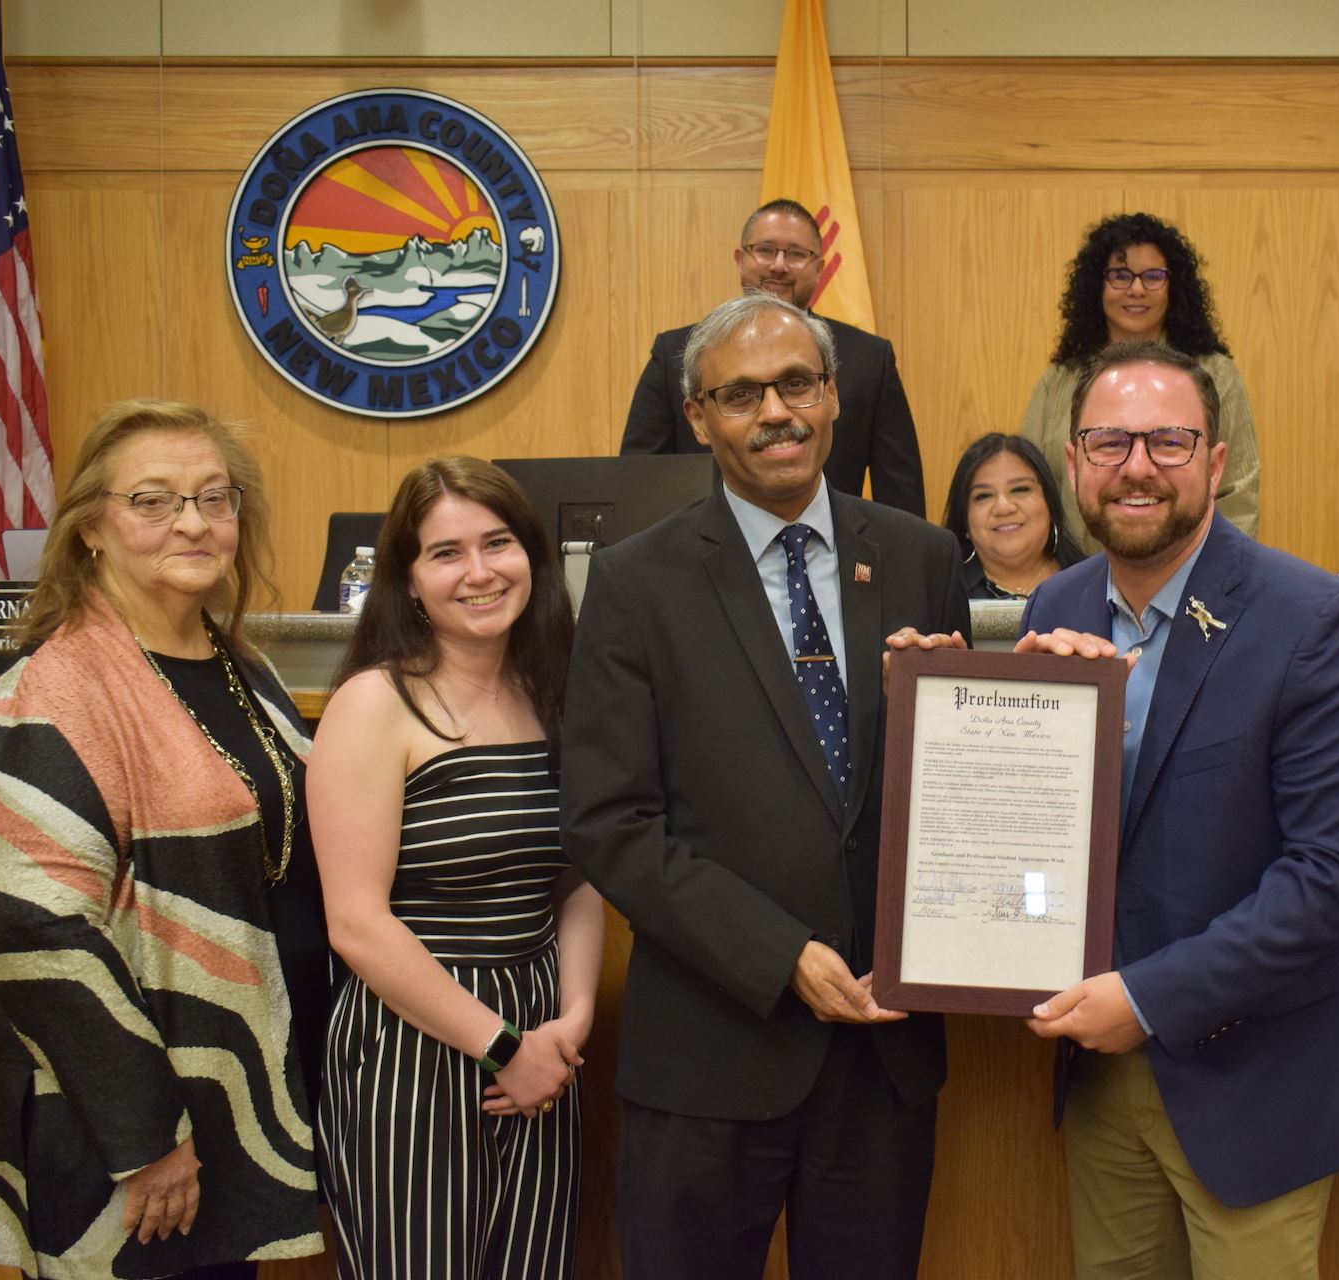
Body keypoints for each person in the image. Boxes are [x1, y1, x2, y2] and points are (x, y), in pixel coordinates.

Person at [562, 292, 970, 1280]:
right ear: (698, 417)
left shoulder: (920, 556)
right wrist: (780, 952)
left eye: (796, 382)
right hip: (710, 1051)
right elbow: (611, 822)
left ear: (834, 397)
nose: (775, 411)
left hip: (884, 1050)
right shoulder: (633, 580)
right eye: (740, 393)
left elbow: (956, 784)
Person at [1016, 342, 1339, 1279]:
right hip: (1101, 1070)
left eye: (1168, 441)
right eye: (1108, 442)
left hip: (1253, 1075)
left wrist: (1148, 1000)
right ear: (1072, 463)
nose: (1137, 466)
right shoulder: (1057, 601)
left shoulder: (1314, 619)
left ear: (1216, 464)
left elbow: (1336, 876)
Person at [0, 400, 329, 1277]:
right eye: (152, 500)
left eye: (215, 497)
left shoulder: (233, 659)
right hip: (124, 1127)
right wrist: (143, 1138)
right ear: (91, 531)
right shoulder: (52, 687)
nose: (192, 521)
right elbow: (36, 932)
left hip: (227, 1088)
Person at [308, 456, 603, 1280]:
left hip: (543, 1043)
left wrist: (569, 1022)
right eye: (445, 553)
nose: (478, 572)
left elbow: (577, 876)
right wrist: (500, 1046)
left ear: (532, 557)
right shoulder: (375, 703)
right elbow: (357, 924)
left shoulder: (556, 692)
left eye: (497, 543)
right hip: (415, 1047)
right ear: (407, 579)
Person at [619, 198, 927, 517]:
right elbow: (639, 480)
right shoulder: (676, 353)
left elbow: (900, 491)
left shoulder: (869, 359)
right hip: (700, 555)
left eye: (796, 254)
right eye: (765, 250)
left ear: (820, 268)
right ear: (741, 259)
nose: (779, 264)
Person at [1020, 212, 1261, 549]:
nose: (1136, 289)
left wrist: (1210, 583)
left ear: (1173, 286)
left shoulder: (1216, 375)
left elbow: (1239, 496)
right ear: (1097, 286)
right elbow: (1032, 486)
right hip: (1077, 578)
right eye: (1120, 275)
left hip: (1189, 583)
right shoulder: (1058, 382)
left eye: (1153, 276)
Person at [941, 431, 1085, 600]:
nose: (1004, 508)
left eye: (1020, 489)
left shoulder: (1098, 582)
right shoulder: (941, 596)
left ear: (1050, 505)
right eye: (983, 496)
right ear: (964, 521)